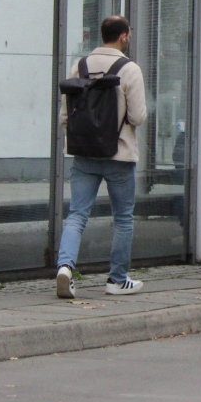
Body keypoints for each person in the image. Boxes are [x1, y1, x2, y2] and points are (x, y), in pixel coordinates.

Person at [55, 16, 148, 298]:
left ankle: (65, 268)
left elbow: (65, 117)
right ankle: (117, 280)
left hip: (84, 154)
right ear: (123, 37)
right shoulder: (129, 69)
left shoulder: (80, 66)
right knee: (123, 218)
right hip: (119, 155)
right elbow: (137, 117)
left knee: (77, 215)